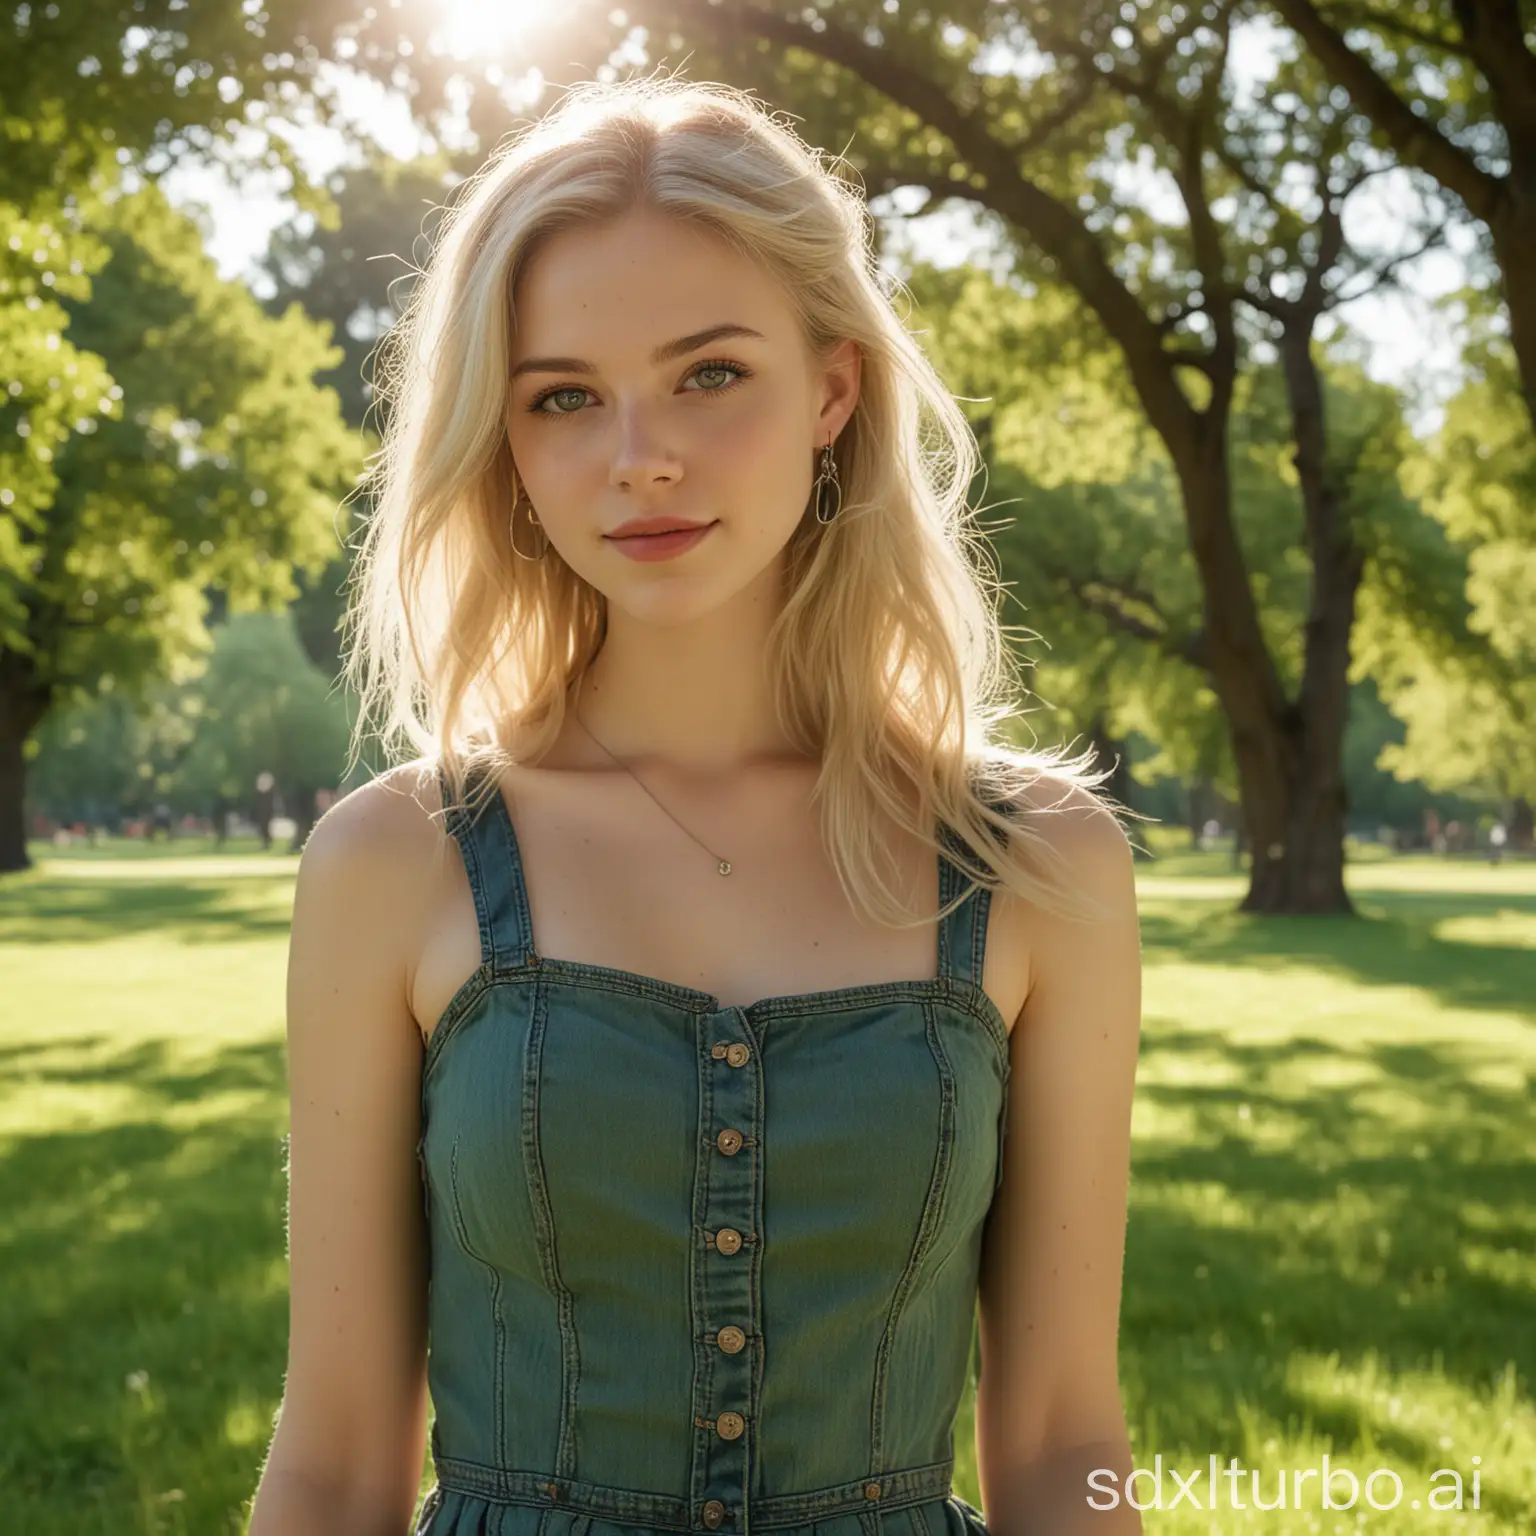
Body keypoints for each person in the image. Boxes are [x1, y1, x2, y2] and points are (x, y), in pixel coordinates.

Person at [248, 75, 1145, 1536]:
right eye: (563, 398)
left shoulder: (1036, 861)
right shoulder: (393, 863)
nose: (638, 456)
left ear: (833, 392)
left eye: (711, 374)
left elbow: (1058, 1438)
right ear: (510, 446)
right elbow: (341, 1455)